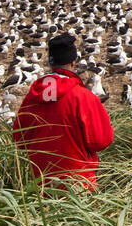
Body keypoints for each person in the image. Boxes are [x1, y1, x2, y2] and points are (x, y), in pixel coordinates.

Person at [12, 33, 114, 192]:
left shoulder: (32, 97)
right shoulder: (83, 96)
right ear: (73, 63)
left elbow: (19, 138)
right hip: (78, 185)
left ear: (51, 64)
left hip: (40, 185)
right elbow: (101, 140)